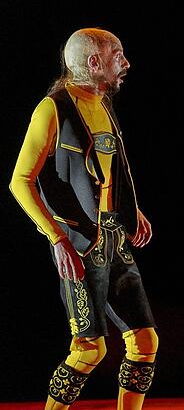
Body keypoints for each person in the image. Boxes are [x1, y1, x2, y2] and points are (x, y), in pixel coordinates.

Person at [10, 28, 158, 410]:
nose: (126, 64)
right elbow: (20, 181)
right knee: (89, 349)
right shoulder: (52, 109)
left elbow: (110, 170)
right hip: (79, 242)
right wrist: (56, 238)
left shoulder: (102, 104)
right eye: (117, 56)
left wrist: (132, 209)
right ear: (94, 63)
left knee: (145, 342)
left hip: (114, 235)